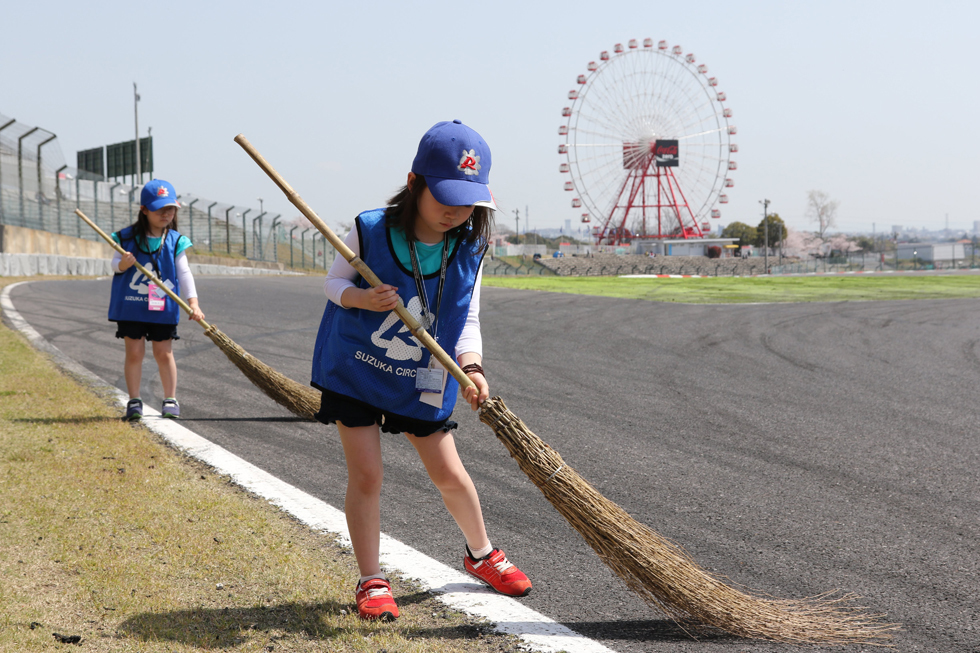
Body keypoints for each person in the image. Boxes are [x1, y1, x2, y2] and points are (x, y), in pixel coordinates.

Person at [313, 120, 531, 622]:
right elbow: (331, 283)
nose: (456, 212)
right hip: (358, 369)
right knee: (368, 474)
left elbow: (467, 316)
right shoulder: (370, 229)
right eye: (445, 197)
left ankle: (482, 554)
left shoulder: (470, 249)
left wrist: (472, 366)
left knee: (449, 472)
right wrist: (361, 298)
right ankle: (371, 580)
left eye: (469, 201)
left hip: (421, 376)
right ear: (415, 184)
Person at [108, 179, 205, 421]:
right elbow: (114, 267)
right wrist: (123, 263)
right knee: (134, 353)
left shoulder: (175, 241)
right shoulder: (126, 238)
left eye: (170, 208)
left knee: (164, 353)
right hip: (132, 307)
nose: (166, 213)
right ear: (143, 210)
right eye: (160, 208)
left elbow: (184, 273)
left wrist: (193, 303)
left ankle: (170, 398)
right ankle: (134, 400)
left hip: (162, 307)